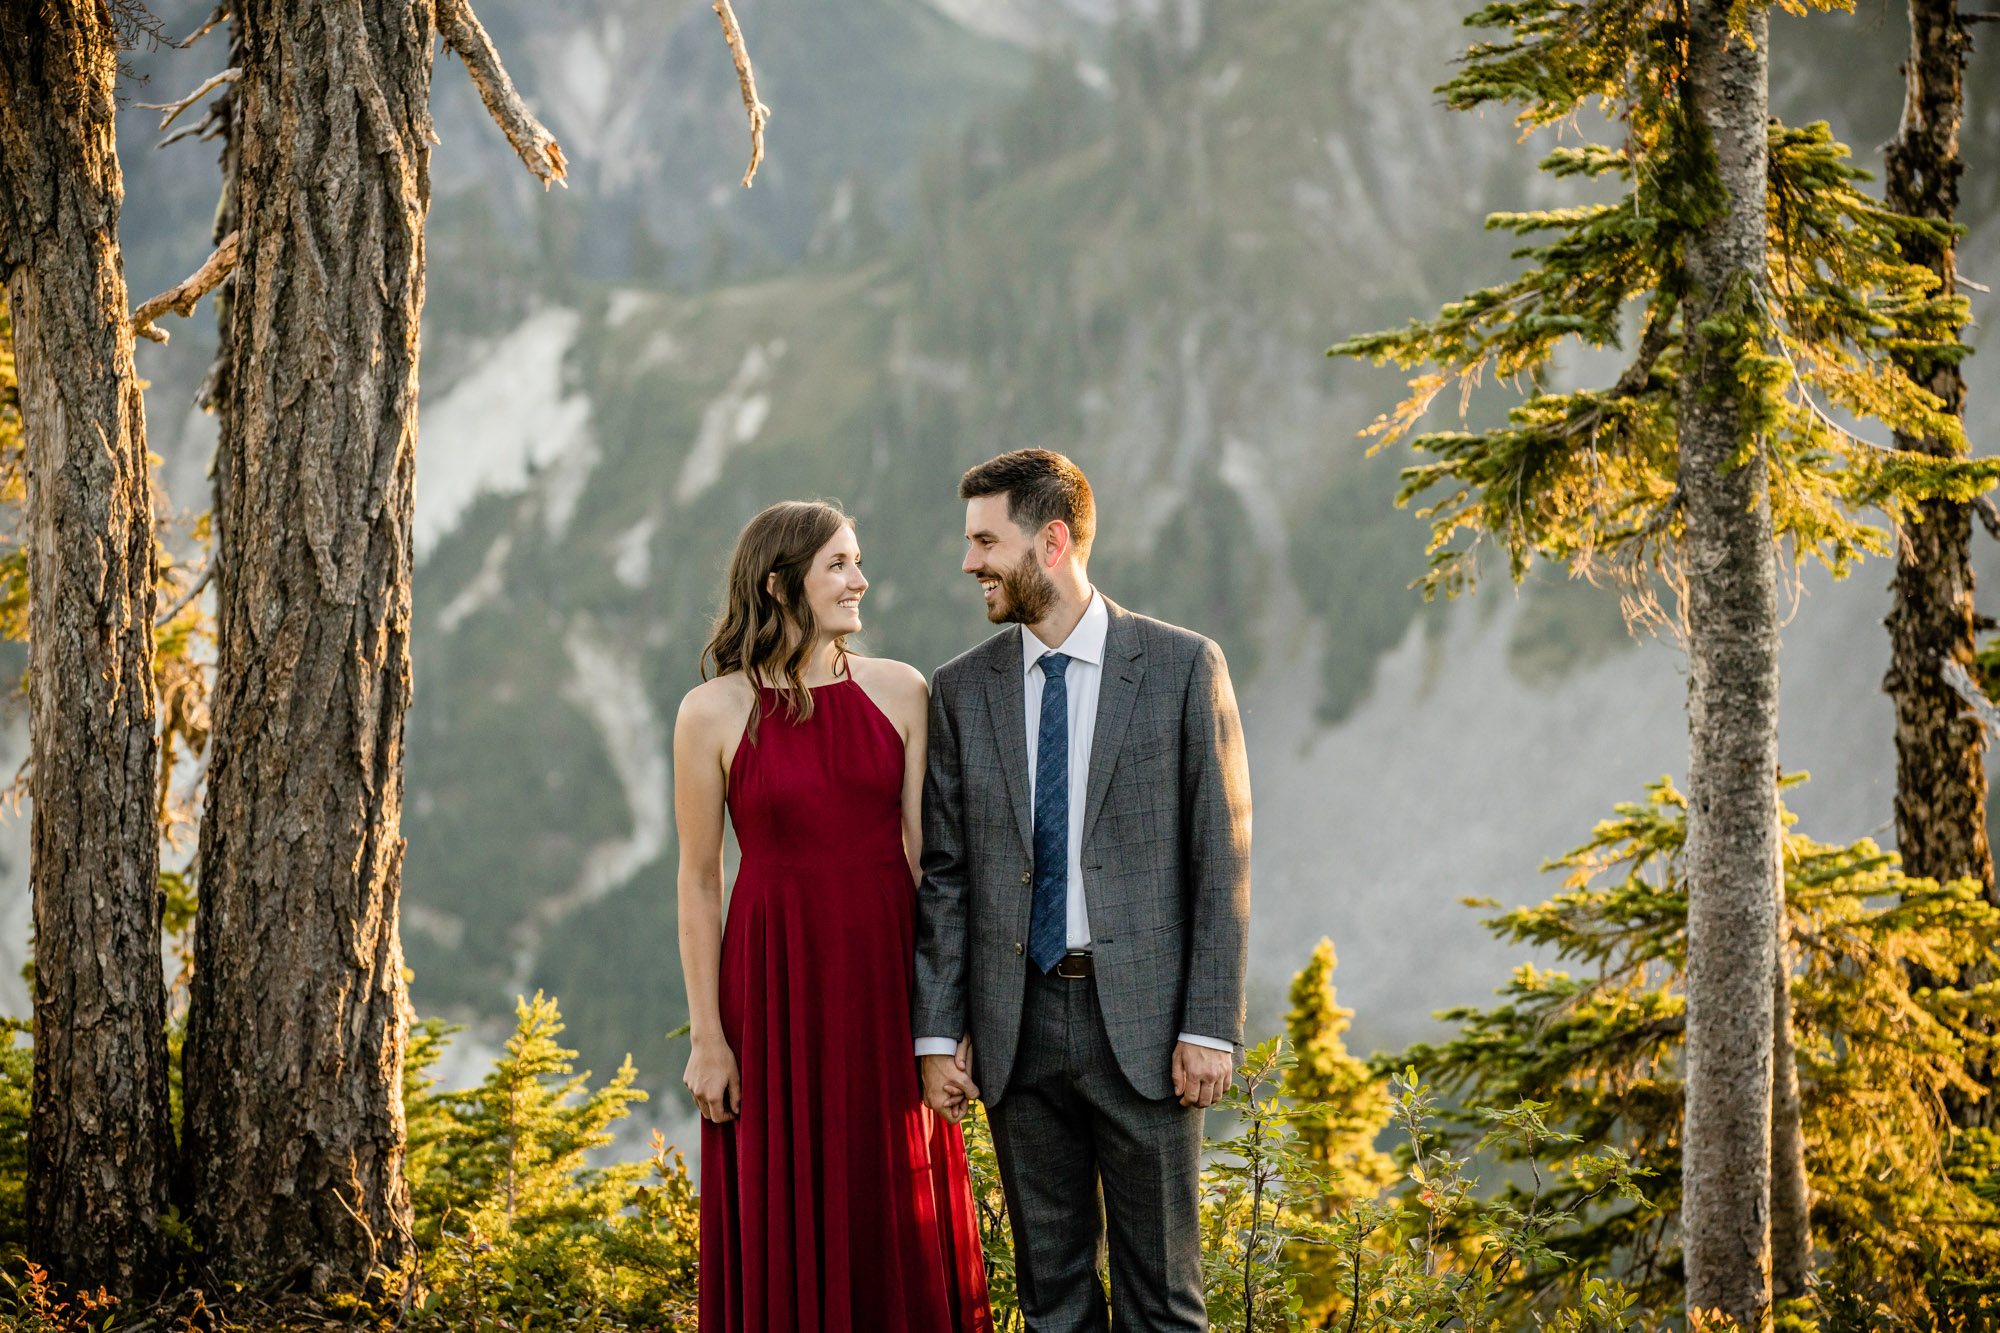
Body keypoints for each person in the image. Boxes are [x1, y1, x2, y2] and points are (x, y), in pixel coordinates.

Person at [915, 449, 1253, 1332]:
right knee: (1053, 1304)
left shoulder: (1183, 666)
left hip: (1144, 1033)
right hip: (1015, 1034)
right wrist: (939, 1028)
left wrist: (1209, 1024)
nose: (970, 562)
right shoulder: (959, 691)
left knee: (1166, 1306)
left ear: (1052, 541)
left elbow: (1221, 857)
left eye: (986, 540)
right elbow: (946, 876)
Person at [675, 500, 993, 1333]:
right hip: (773, 991)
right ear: (784, 585)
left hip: (886, 987)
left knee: (894, 1200)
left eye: (857, 560)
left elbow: (936, 867)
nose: (860, 580)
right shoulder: (709, 711)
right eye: (839, 565)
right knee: (784, 1196)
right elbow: (700, 880)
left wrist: (947, 1016)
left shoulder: (901, 690)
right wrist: (709, 1038)